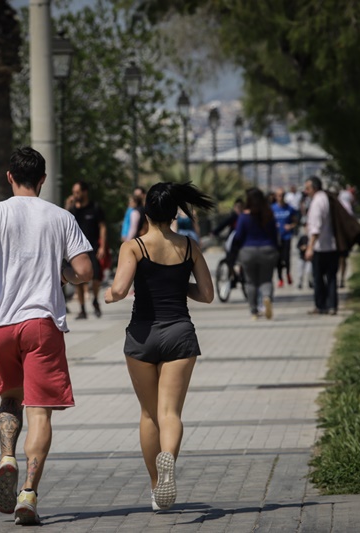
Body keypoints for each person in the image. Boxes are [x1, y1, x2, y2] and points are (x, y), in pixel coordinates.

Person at [0, 147, 93, 525]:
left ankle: (7, 458)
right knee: (40, 412)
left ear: (9, 177)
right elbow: (85, 269)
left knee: (10, 397)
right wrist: (64, 276)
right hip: (41, 323)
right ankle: (29, 495)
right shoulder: (61, 216)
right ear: (43, 179)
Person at [104, 181, 214, 511]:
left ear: (146, 212)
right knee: (171, 413)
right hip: (179, 332)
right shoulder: (189, 246)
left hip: (142, 335)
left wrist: (109, 295)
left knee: (149, 414)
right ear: (173, 212)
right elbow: (207, 294)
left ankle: (156, 486)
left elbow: (121, 289)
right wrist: (179, 286)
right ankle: (169, 460)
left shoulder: (134, 246)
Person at [232, 188, 280, 319]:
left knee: (251, 282)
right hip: (268, 250)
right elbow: (275, 235)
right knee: (266, 280)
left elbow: (238, 236)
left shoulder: (244, 216)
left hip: (248, 252)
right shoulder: (269, 214)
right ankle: (266, 298)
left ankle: (254, 311)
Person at [66, 180, 107, 319]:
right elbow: (64, 221)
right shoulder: (73, 209)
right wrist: (68, 206)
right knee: (78, 279)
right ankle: (82, 309)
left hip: (93, 248)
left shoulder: (95, 207)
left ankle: (95, 300)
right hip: (76, 249)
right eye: (74, 192)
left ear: (85, 192)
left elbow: (102, 227)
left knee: (95, 278)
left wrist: (102, 246)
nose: (75, 195)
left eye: (77, 192)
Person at [304, 176, 339, 315]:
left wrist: (310, 247)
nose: (306, 191)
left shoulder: (317, 202)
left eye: (307, 188)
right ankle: (332, 305)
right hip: (331, 245)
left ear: (314, 188)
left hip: (320, 247)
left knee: (318, 278)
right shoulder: (326, 198)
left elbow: (315, 228)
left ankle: (321, 305)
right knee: (331, 278)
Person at [272, 187, 299, 288]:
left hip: (287, 236)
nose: (281, 197)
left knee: (287, 257)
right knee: (278, 259)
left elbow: (295, 221)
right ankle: (280, 278)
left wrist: (290, 226)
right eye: (279, 195)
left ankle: (288, 273)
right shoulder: (273, 208)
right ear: (276, 197)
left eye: (282, 195)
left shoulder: (290, 208)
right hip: (277, 237)